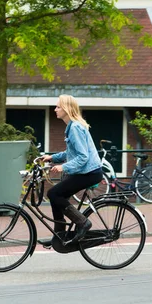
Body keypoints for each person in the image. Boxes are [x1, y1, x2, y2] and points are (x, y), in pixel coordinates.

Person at [41, 94, 103, 245]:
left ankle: (83, 222)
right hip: (85, 172)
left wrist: (63, 167)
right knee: (56, 197)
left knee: (53, 193)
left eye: (58, 107)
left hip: (89, 173)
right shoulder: (72, 126)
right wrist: (52, 157)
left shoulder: (74, 128)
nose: (55, 109)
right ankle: (60, 235)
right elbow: (71, 153)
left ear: (66, 109)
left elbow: (83, 157)